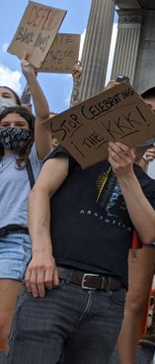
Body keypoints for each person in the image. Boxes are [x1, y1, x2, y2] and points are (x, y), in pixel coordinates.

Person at [6, 85, 155, 364]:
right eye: (145, 108)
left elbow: (150, 232)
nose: (151, 116)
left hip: (107, 302)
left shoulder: (153, 189)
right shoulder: (77, 151)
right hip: (52, 284)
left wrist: (126, 174)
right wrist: (41, 253)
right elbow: (40, 193)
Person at [0, 57, 52, 350]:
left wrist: (30, 75)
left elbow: (43, 115)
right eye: (5, 124)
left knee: (3, 325)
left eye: (19, 124)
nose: (12, 128)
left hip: (15, 242)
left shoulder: (35, 158)